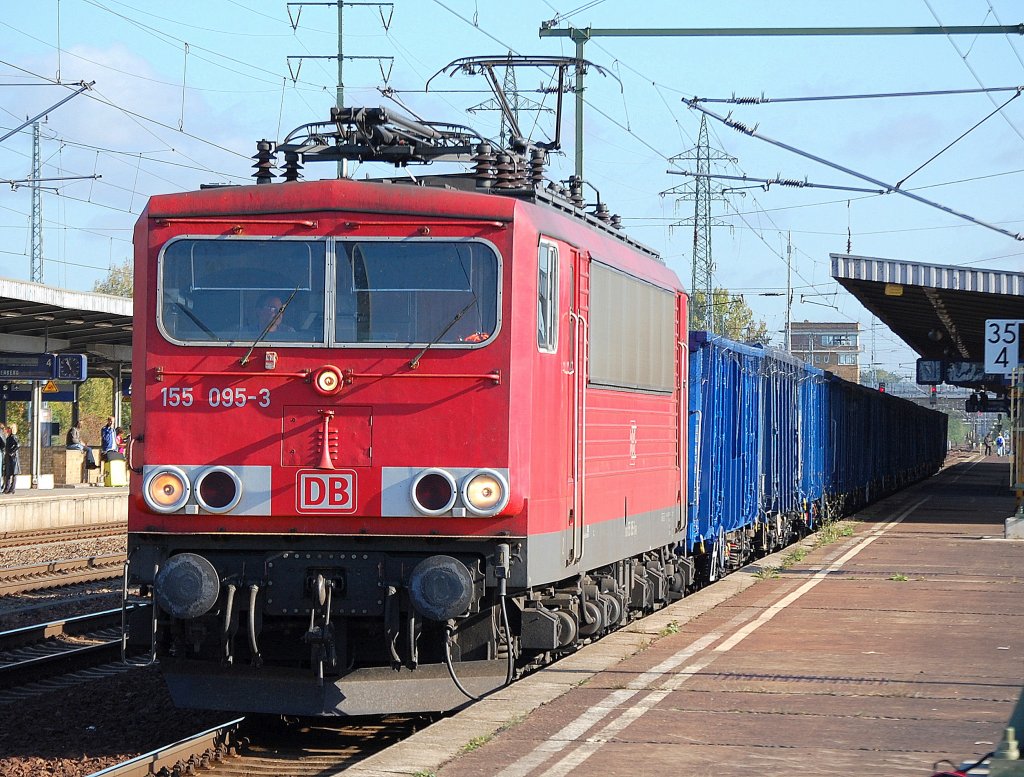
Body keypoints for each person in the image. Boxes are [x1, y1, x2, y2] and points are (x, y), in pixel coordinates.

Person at [3, 424, 20, 494]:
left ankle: (12, 488)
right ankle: (7, 488)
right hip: (9, 457)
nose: (7, 430)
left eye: (9, 429)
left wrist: (12, 452)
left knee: (13, 473)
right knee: (8, 473)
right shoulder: (9, 437)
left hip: (13, 458)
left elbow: (18, 445)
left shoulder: (13, 437)